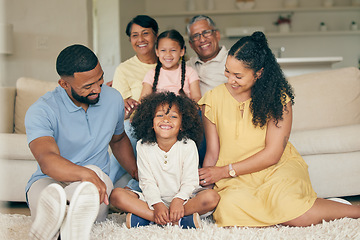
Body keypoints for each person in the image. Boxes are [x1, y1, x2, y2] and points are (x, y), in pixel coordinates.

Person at [197, 32, 360, 227]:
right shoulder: (212, 98)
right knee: (229, 208)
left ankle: (351, 210)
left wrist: (225, 171)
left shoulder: (278, 99)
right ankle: (314, 207)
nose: (231, 80)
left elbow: (272, 155)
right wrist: (207, 181)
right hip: (234, 178)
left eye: (238, 75)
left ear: (259, 73)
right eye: (227, 72)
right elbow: (213, 151)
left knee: (291, 209)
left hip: (275, 168)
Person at [25, 44, 137, 239]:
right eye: (87, 86)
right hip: (50, 181)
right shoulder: (42, 110)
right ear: (63, 84)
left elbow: (118, 140)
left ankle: (62, 224)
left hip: (97, 181)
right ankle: (63, 223)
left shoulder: (113, 99)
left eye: (100, 79)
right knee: (47, 197)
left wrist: (138, 172)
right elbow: (47, 159)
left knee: (92, 179)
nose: (97, 89)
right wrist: (83, 173)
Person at [110, 92, 220, 228]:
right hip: (152, 200)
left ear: (182, 125)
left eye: (173, 116)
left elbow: (190, 180)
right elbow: (146, 181)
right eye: (160, 115)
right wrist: (157, 204)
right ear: (151, 122)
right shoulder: (143, 146)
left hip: (185, 199)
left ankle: (150, 218)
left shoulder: (188, 145)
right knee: (116, 196)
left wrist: (179, 199)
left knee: (211, 197)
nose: (166, 119)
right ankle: (174, 220)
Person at [108, 15, 158, 188]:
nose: (140, 39)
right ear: (130, 39)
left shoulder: (171, 60)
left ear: (156, 35)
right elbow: (120, 114)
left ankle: (133, 189)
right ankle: (102, 185)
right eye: (135, 35)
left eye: (145, 33)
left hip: (168, 124)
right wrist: (126, 105)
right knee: (127, 128)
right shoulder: (124, 69)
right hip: (139, 125)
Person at [139, 29, 201, 103]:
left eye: (173, 50)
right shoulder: (151, 74)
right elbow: (143, 100)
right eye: (163, 50)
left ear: (182, 51)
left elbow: (197, 98)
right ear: (157, 52)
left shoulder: (190, 72)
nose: (168, 54)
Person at [186, 15, 228, 96]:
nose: (202, 39)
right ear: (191, 44)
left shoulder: (234, 60)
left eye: (206, 32)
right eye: (196, 36)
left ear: (217, 35)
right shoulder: (187, 66)